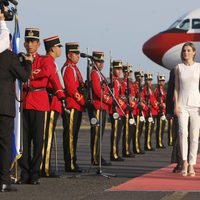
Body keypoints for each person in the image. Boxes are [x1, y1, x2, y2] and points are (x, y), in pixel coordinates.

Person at [18, 29, 65, 185]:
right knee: (24, 140)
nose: (30, 44)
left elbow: (47, 73)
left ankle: (35, 173)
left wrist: (30, 72)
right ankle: (24, 172)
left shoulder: (45, 60)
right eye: (28, 41)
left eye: (33, 41)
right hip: (24, 101)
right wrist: (32, 72)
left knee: (38, 140)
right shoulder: (20, 59)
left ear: (38, 44)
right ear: (24, 43)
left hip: (40, 102)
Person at [0, 37, 32, 191]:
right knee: (5, 145)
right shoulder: (8, 57)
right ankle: (4, 180)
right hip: (4, 107)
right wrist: (27, 61)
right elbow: (24, 76)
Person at [174, 42, 200, 177]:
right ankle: (183, 162)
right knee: (183, 133)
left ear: (194, 52)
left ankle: (191, 165)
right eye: (184, 50)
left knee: (194, 136)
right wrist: (176, 105)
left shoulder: (199, 67)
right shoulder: (178, 67)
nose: (186, 53)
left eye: (189, 50)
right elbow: (177, 88)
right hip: (182, 105)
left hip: (197, 105)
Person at [41, 36, 65, 177]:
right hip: (50, 103)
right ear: (52, 48)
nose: (60, 49)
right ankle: (45, 168)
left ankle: (46, 166)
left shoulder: (53, 62)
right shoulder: (48, 62)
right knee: (47, 136)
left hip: (55, 103)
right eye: (58, 46)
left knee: (48, 136)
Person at [61, 42, 85, 172]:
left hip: (77, 106)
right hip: (71, 106)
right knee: (70, 136)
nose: (78, 56)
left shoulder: (74, 68)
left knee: (74, 136)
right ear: (69, 55)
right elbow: (71, 89)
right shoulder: (68, 68)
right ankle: (69, 163)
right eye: (75, 54)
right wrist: (83, 101)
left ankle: (73, 161)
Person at [89, 51, 112, 166]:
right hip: (98, 106)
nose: (101, 64)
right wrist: (109, 100)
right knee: (97, 133)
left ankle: (98, 155)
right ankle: (95, 157)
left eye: (102, 61)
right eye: (98, 61)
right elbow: (98, 92)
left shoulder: (99, 74)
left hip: (102, 106)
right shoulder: (94, 73)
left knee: (100, 134)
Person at [110, 60, 126, 161]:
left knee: (118, 133)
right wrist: (124, 105)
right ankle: (114, 153)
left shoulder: (117, 81)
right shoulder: (113, 81)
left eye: (120, 69)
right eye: (117, 69)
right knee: (116, 133)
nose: (119, 71)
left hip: (119, 110)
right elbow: (115, 97)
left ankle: (116, 152)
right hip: (115, 110)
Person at [166, 68, 182, 173]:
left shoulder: (197, 69)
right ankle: (180, 162)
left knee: (192, 137)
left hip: (194, 107)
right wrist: (169, 110)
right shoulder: (175, 71)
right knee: (179, 135)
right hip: (179, 108)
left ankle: (188, 162)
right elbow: (170, 91)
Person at [121, 64, 136, 157]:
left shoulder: (130, 84)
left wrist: (133, 105)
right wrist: (127, 104)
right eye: (127, 72)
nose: (129, 73)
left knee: (130, 131)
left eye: (130, 72)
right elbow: (122, 96)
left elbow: (133, 97)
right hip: (126, 110)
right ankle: (125, 150)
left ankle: (128, 148)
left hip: (131, 109)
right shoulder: (122, 83)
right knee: (126, 131)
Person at [142, 73, 158, 151]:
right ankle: (147, 145)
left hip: (153, 111)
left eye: (151, 80)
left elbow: (154, 100)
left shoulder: (150, 89)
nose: (150, 82)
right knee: (148, 130)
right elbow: (151, 101)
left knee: (151, 130)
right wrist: (156, 106)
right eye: (148, 80)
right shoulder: (145, 89)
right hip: (149, 112)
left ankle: (149, 144)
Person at [132, 70, 146, 154]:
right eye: (139, 77)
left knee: (139, 130)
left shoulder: (142, 87)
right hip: (136, 110)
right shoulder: (135, 86)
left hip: (141, 110)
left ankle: (138, 146)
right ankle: (136, 147)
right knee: (136, 130)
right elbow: (134, 98)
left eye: (141, 77)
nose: (141, 79)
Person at [154, 75, 167, 148]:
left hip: (163, 111)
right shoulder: (157, 90)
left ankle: (160, 141)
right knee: (159, 127)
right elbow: (155, 100)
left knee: (162, 127)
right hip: (159, 110)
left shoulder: (163, 91)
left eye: (163, 81)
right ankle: (159, 143)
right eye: (161, 81)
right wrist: (159, 104)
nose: (162, 82)